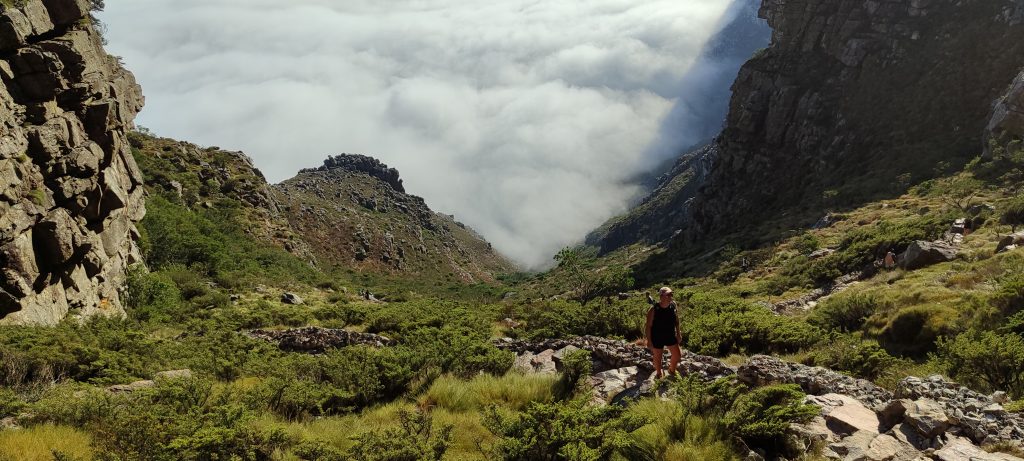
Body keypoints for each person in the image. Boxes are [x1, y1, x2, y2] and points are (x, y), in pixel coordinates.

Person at [645, 286, 681, 379]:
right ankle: (658, 374)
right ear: (661, 296)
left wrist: (678, 333)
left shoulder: (673, 305)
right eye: (668, 295)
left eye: (671, 294)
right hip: (657, 336)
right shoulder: (653, 310)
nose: (671, 297)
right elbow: (648, 326)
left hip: (670, 335)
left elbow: (676, 320)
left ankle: (671, 370)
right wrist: (649, 340)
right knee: (658, 357)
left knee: (677, 355)